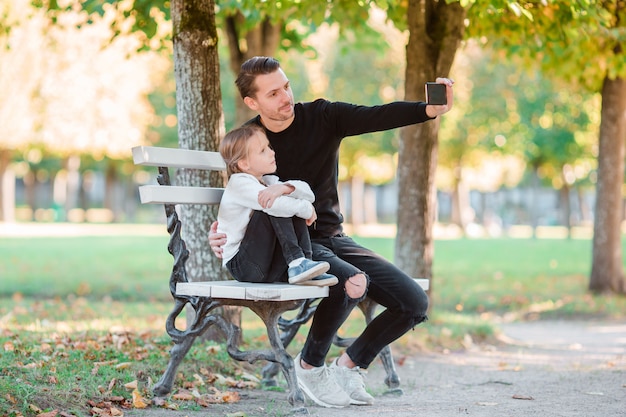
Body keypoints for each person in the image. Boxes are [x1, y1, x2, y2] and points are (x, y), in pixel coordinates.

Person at [210, 56, 454, 408]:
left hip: (333, 238)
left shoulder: (322, 117)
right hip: (292, 247)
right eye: (274, 93)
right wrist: (216, 233)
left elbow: (377, 115)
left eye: (287, 86)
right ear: (253, 102)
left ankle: (347, 366)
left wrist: (427, 110)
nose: (285, 97)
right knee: (351, 283)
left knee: (414, 303)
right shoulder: (252, 141)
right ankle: (310, 365)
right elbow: (237, 201)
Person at [218, 123, 338, 287]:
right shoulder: (239, 183)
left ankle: (305, 265)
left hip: (266, 263)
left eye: (269, 147)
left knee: (283, 202)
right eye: (263, 151)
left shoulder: (269, 182)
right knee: (272, 204)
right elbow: (275, 205)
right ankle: (297, 262)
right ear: (244, 164)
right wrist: (306, 209)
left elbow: (308, 193)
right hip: (243, 266)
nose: (272, 152)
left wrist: (285, 188)